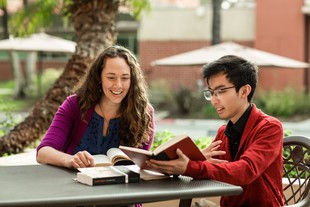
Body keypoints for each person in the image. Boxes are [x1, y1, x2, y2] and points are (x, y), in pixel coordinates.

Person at [146, 55, 284, 207]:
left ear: (244, 91)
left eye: (221, 91)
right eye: (211, 92)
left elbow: (245, 170)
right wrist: (197, 159)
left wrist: (191, 166)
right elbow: (211, 170)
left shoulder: (270, 127)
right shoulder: (223, 132)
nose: (213, 100)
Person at [37, 45, 155, 170]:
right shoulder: (74, 105)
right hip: (74, 185)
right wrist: (70, 160)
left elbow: (140, 165)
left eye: (125, 78)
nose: (118, 85)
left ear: (133, 80)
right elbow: (43, 152)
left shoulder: (143, 113)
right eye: (111, 77)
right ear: (99, 77)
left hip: (120, 187)